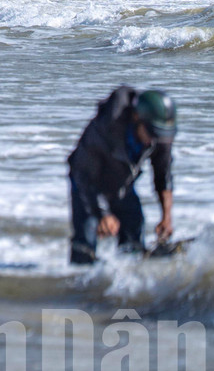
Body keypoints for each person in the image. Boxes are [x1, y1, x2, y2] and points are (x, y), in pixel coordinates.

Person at [69, 86, 176, 264]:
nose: (154, 140)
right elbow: (84, 175)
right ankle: (80, 286)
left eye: (160, 135)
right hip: (86, 184)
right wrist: (102, 213)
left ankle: (125, 287)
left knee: (133, 239)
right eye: (151, 133)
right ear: (136, 118)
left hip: (122, 184)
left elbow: (163, 176)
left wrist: (166, 217)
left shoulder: (159, 135)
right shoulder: (105, 129)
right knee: (85, 244)